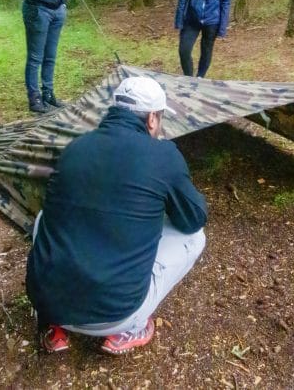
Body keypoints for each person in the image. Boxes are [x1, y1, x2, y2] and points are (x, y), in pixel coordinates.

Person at [26, 76, 207, 355]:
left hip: (47, 302)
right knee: (195, 238)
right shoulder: (163, 155)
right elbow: (193, 218)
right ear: (151, 120)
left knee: (43, 219)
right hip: (115, 313)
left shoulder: (75, 148)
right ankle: (131, 329)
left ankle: (54, 326)